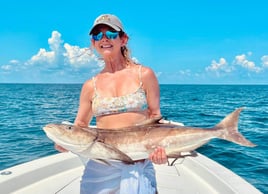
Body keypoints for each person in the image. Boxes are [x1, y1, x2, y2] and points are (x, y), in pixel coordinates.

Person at [56, 13, 167, 194]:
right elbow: (81, 125)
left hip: (138, 162)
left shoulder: (144, 75)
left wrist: (160, 149)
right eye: (98, 35)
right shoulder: (89, 86)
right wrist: (65, 141)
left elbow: (155, 117)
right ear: (93, 43)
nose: (104, 39)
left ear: (124, 39)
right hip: (101, 167)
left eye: (111, 34)